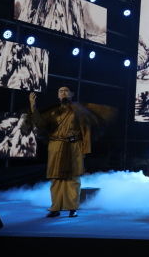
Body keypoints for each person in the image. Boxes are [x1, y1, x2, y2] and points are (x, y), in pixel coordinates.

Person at [28, 86, 115, 218]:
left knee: (73, 178)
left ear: (72, 93)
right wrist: (33, 107)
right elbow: (39, 124)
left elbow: (85, 132)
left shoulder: (79, 110)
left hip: (74, 147)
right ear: (58, 95)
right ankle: (55, 208)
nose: (63, 93)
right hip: (56, 147)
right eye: (60, 91)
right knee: (56, 178)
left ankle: (72, 208)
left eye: (66, 91)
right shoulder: (53, 111)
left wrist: (85, 151)